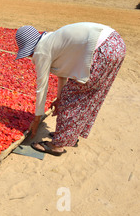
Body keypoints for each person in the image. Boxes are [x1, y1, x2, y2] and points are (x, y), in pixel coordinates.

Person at [14, 23, 126, 156]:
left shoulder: (41, 50)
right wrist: (59, 99)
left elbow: (42, 87)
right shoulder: (50, 39)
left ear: (30, 48)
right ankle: (70, 134)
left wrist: (36, 119)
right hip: (116, 44)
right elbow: (63, 74)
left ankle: (57, 146)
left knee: (72, 96)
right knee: (87, 95)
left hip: (104, 49)